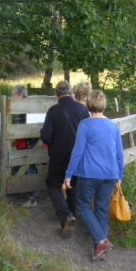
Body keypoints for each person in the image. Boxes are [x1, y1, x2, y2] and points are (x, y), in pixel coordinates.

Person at [64, 90, 124, 260]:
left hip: (90, 173)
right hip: (110, 173)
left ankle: (101, 240)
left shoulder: (85, 124)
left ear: (89, 105)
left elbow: (78, 152)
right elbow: (119, 153)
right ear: (104, 105)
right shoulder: (113, 126)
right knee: (101, 209)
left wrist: (69, 174)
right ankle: (101, 248)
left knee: (82, 205)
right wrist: (120, 173)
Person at [40, 81, 89, 238]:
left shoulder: (53, 111)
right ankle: (69, 218)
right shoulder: (83, 109)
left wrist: (53, 141)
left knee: (53, 184)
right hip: (78, 157)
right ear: (72, 93)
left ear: (56, 94)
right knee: (73, 186)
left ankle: (66, 216)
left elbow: (45, 136)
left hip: (58, 156)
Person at [11, 83, 38, 208]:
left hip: (30, 142)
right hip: (22, 141)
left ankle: (32, 197)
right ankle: (29, 189)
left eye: (14, 95)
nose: (12, 96)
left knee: (30, 166)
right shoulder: (18, 106)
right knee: (17, 165)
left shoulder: (28, 107)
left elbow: (32, 127)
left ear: (21, 96)